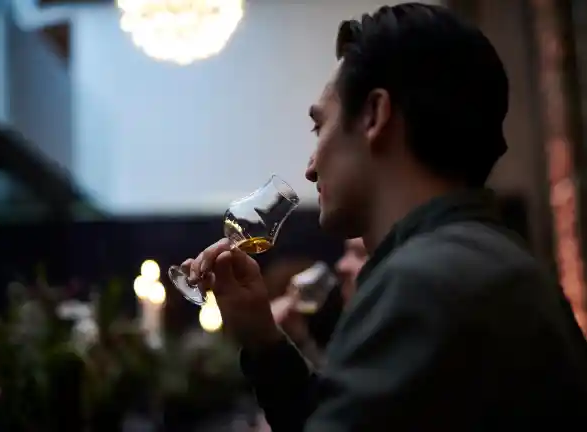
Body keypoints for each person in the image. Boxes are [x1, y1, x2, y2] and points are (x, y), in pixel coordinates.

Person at [181, 3, 587, 430]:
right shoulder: (489, 261)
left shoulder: (424, 282)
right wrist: (264, 341)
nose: (310, 168)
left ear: (375, 116)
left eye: (319, 128)